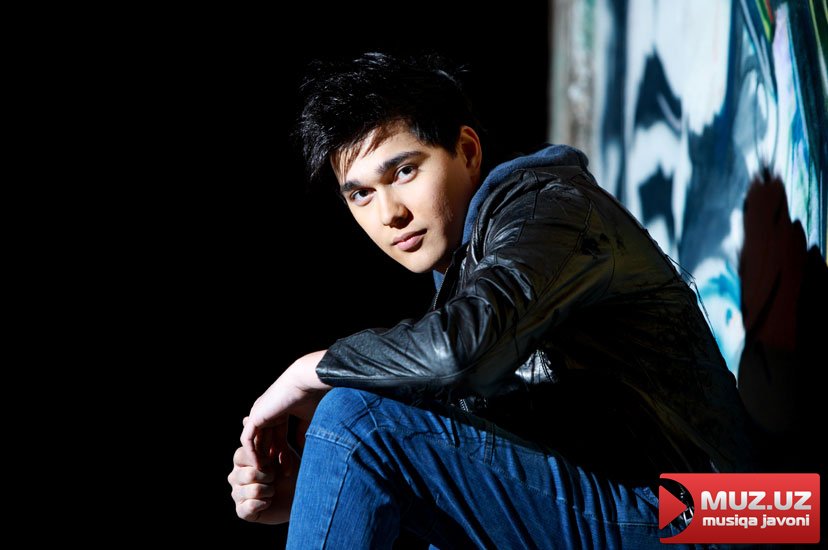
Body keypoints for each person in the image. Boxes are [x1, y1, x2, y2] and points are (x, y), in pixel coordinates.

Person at [228, 52, 755, 548]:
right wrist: (320, 485)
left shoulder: (546, 211)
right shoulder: (463, 280)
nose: (389, 214)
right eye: (361, 193)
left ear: (467, 151)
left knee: (354, 420)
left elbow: (462, 351)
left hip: (733, 513)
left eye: (404, 171)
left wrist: (312, 370)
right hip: (653, 512)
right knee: (369, 450)